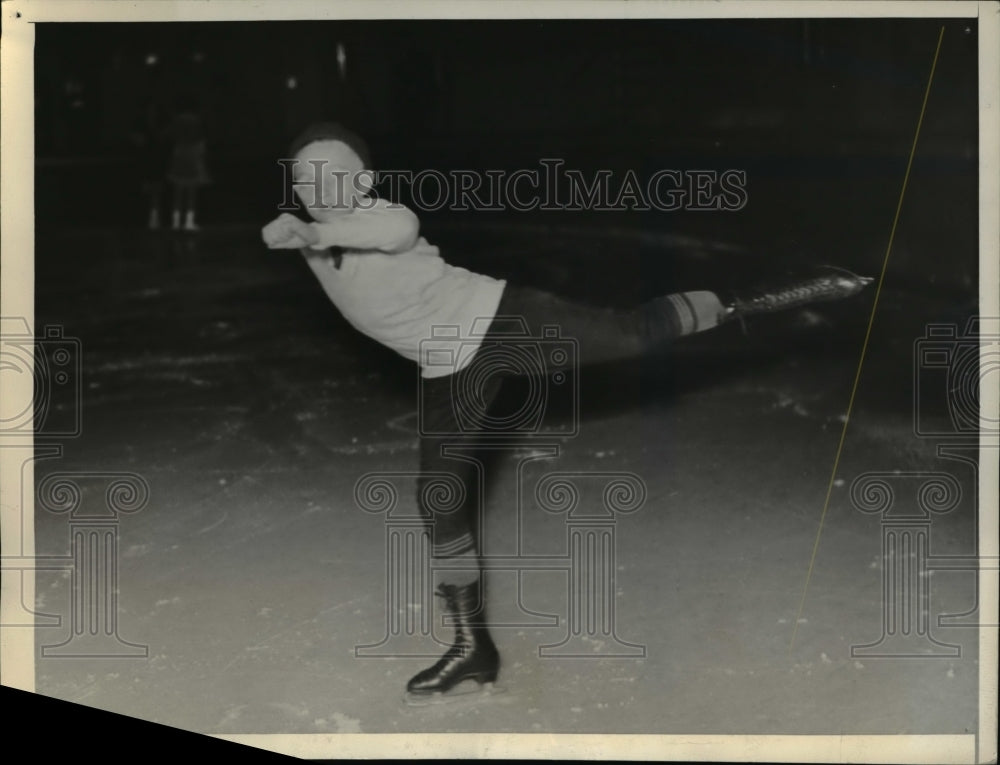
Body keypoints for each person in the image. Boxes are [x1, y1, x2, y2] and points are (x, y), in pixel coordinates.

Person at [261, 122, 872, 702]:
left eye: (335, 178)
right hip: (445, 368)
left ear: (364, 183)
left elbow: (397, 230)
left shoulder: (377, 216)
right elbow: (304, 235)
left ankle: (752, 299)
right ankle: (473, 647)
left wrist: (313, 233)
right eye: (307, 181)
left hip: (499, 320)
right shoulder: (309, 232)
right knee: (439, 500)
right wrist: (296, 230)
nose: (321, 192)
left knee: (631, 334)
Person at [165, 103, 210, 231]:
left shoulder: (176, 120)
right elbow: (201, 141)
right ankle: (188, 222)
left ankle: (176, 222)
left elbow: (169, 136)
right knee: (191, 191)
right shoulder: (196, 121)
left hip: (179, 154)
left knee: (178, 191)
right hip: (192, 155)